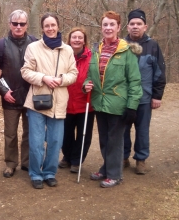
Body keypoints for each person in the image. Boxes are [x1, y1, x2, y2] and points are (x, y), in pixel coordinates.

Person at [83, 11, 142, 188]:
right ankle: (107, 167)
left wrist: (132, 107)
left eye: (111, 24)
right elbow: (89, 75)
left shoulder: (126, 51)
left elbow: (135, 81)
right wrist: (86, 84)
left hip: (118, 104)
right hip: (99, 103)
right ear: (101, 28)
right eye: (105, 25)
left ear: (118, 27)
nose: (108, 28)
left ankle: (115, 174)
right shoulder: (96, 50)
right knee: (104, 139)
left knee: (115, 141)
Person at [21, 13, 77, 189]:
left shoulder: (67, 50)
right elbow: (25, 71)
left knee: (55, 140)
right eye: (47, 26)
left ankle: (50, 172)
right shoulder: (33, 47)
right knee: (36, 142)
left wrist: (61, 80)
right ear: (42, 28)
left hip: (59, 102)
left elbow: (73, 74)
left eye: (53, 25)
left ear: (58, 26)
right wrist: (43, 78)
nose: (50, 28)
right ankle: (36, 174)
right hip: (37, 101)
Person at [0, 9, 37, 178]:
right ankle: (10, 164)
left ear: (26, 25)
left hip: (32, 96)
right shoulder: (1, 44)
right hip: (10, 98)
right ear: (9, 24)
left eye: (22, 24)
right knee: (10, 134)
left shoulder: (34, 43)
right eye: (15, 23)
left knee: (29, 133)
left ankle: (27, 162)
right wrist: (3, 92)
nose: (18, 27)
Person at [123, 9, 166, 174]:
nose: (135, 27)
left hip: (145, 97)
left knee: (142, 130)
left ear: (145, 26)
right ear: (127, 27)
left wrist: (157, 95)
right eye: (132, 24)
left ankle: (141, 159)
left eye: (138, 24)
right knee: (122, 130)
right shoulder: (121, 45)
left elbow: (160, 72)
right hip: (124, 97)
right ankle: (123, 157)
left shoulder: (153, 46)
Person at [59, 27, 95, 173]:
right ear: (69, 40)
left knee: (83, 134)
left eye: (80, 37)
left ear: (84, 40)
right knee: (65, 133)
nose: (77, 40)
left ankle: (77, 160)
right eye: (74, 37)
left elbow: (95, 76)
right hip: (65, 102)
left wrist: (90, 83)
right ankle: (67, 157)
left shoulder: (92, 57)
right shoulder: (63, 56)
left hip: (85, 102)